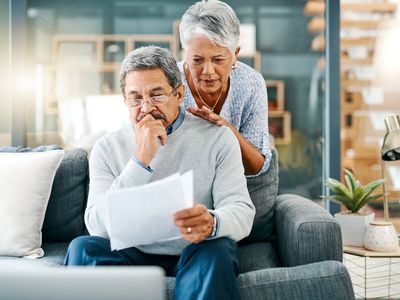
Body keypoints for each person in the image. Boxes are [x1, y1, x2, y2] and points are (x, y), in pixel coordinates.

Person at [64, 46, 255, 300]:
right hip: (130, 253)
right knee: (83, 248)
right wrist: (140, 160)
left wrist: (212, 222)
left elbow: (242, 211)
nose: (146, 107)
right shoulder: (106, 147)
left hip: (194, 251)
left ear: (178, 94)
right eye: (135, 98)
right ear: (125, 100)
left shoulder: (218, 139)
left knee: (219, 248)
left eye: (156, 95)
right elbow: (97, 226)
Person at [179, 0, 271, 176]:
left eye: (217, 60)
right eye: (197, 60)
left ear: (235, 54)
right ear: (186, 53)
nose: (208, 71)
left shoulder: (251, 84)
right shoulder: (169, 81)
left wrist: (226, 130)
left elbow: (257, 168)